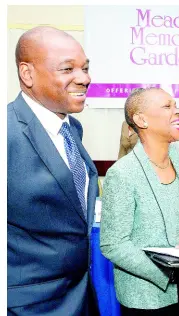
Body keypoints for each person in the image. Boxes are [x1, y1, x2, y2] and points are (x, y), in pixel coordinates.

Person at [7, 26, 99, 315]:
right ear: (28, 74)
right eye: (67, 68)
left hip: (79, 294)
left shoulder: (73, 128)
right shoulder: (6, 132)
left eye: (85, 68)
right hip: (27, 304)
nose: (84, 78)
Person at [100, 87, 179, 316]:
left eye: (176, 106)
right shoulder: (123, 173)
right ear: (141, 119)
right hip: (145, 296)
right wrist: (166, 274)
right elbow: (112, 244)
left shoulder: (176, 156)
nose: (177, 112)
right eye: (167, 106)